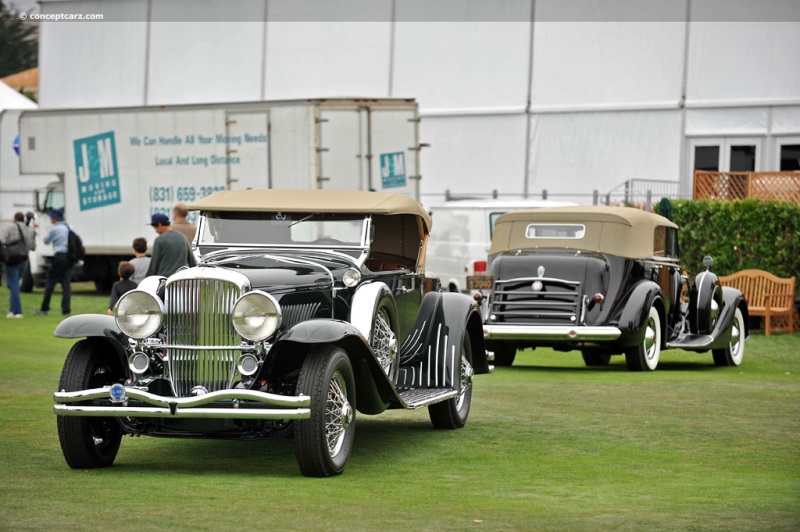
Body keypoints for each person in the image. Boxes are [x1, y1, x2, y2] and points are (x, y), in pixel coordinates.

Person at [35, 209, 74, 316]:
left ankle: (44, 308)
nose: (50, 218)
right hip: (70, 258)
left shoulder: (56, 229)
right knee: (66, 284)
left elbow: (46, 241)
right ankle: (66, 310)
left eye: (51, 216)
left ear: (55, 218)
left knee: (50, 282)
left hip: (60, 257)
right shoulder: (69, 227)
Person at [1, 212, 36, 318]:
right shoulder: (30, 230)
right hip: (24, 259)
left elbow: (2, 240)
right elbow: (33, 246)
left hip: (12, 259)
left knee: (14, 285)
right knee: (14, 284)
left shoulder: (11, 227)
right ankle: (12, 310)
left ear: (14, 219)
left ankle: (17, 311)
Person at [145, 213, 196, 277]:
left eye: (155, 228)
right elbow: (192, 262)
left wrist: (147, 280)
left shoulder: (159, 240)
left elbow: (154, 264)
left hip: (165, 280)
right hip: (180, 280)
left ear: (159, 225)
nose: (156, 231)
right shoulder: (183, 238)